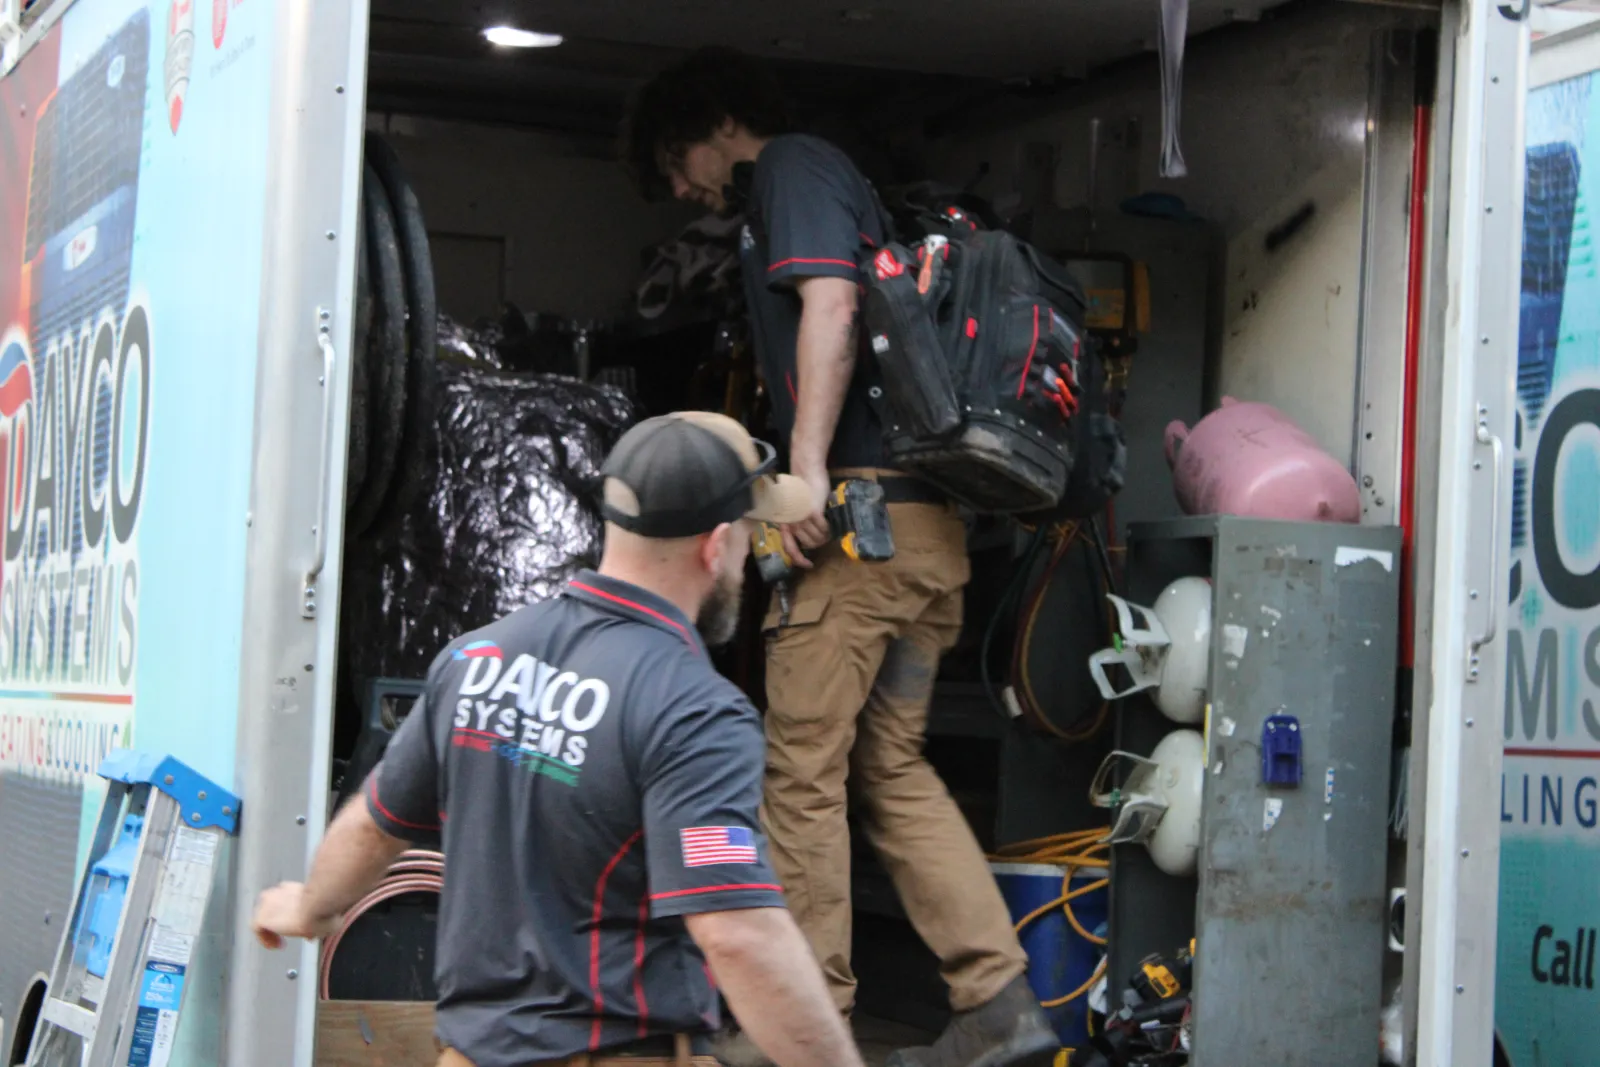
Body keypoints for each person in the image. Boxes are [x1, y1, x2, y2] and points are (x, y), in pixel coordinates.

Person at [623, 48, 1055, 1067]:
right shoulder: (828, 183)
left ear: (718, 121)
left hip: (863, 534)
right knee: (888, 764)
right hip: (922, 544)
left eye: (676, 160)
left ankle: (799, 1027)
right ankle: (995, 1002)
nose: (682, 188)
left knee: (798, 772)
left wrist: (805, 473)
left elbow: (830, 303)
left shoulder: (794, 169)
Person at [251, 412, 866, 1067]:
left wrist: (313, 905)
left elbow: (377, 823)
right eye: (747, 534)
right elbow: (739, 931)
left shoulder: (475, 659)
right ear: (715, 545)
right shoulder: (693, 709)